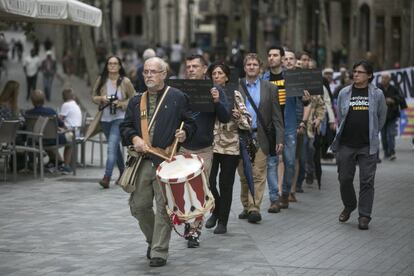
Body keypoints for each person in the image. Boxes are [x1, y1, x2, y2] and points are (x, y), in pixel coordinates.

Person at [120, 57, 196, 267]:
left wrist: (185, 133)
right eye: (145, 72)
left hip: (166, 161)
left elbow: (190, 122)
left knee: (163, 208)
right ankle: (153, 240)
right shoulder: (137, 100)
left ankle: (159, 252)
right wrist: (135, 138)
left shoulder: (177, 97)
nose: (148, 76)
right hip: (143, 161)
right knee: (139, 206)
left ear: (163, 74)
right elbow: (125, 127)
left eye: (153, 72)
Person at [181, 54, 231, 247]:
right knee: (184, 189)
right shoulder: (180, 90)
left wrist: (217, 101)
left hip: (204, 149)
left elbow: (226, 118)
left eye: (195, 66)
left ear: (204, 70)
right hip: (182, 147)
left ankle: (194, 231)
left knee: (200, 190)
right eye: (188, 66)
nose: (191, 69)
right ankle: (188, 222)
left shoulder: (215, 89)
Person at [331, 60, 387, 230]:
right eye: (354, 71)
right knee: (344, 179)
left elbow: (381, 117)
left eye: (360, 72)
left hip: (367, 145)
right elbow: (341, 116)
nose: (355, 74)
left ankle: (364, 215)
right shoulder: (344, 92)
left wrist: (371, 132)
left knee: (367, 181)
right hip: (346, 144)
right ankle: (350, 205)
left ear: (369, 75)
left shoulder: (377, 94)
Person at [205, 62, 251, 234]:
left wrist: (239, 117)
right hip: (210, 145)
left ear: (226, 77)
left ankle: (222, 221)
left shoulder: (235, 94)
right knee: (207, 181)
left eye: (220, 73)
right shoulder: (206, 93)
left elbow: (248, 121)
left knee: (226, 184)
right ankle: (216, 209)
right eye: (214, 74)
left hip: (230, 146)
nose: (216, 76)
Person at [238, 53, 284, 223]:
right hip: (241, 137)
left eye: (255, 65)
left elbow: (277, 116)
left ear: (260, 68)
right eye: (248, 64)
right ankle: (245, 205)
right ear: (244, 68)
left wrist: (280, 139)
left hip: (261, 136)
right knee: (243, 175)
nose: (251, 67)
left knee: (257, 174)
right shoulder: (237, 87)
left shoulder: (270, 88)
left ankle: (254, 208)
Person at [92, 56, 135, 188]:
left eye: (115, 63)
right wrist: (102, 98)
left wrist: (120, 103)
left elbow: (133, 99)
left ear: (120, 66)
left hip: (119, 118)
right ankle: (123, 173)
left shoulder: (125, 81)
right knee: (115, 148)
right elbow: (93, 97)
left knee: (111, 147)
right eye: (110, 63)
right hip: (105, 119)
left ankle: (107, 177)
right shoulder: (101, 80)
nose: (112, 66)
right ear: (106, 66)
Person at [25, 89, 70, 172]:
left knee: (42, 138)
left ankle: (52, 161)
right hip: (52, 140)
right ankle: (65, 165)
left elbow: (25, 127)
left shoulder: (28, 113)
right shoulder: (51, 111)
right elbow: (61, 124)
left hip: (36, 141)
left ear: (32, 101)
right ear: (44, 100)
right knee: (69, 140)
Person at [378, 72, 402, 161]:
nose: (383, 80)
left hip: (392, 115)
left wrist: (393, 100)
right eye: (382, 78)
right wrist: (384, 100)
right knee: (383, 136)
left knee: (391, 135)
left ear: (389, 79)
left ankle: (392, 152)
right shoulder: (378, 89)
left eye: (385, 78)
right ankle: (386, 152)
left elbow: (400, 98)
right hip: (381, 116)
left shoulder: (394, 88)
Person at [59, 88, 82, 173]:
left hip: (70, 131)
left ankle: (64, 164)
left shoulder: (66, 105)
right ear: (73, 96)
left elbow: (60, 120)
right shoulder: (75, 104)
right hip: (77, 131)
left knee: (54, 137)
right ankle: (63, 163)